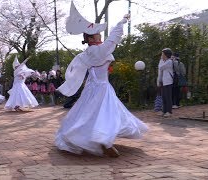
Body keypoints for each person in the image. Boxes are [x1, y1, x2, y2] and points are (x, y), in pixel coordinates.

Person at [55, 2, 148, 157]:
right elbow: (112, 40)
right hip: (101, 88)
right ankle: (104, 142)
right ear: (91, 38)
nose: (99, 35)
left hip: (94, 87)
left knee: (95, 114)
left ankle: (101, 139)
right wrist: (121, 22)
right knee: (104, 114)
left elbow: (78, 71)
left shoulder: (88, 53)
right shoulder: (98, 50)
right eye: (97, 33)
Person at [157, 48, 174, 117]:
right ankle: (164, 111)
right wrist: (159, 81)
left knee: (168, 97)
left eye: (162, 54)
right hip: (164, 81)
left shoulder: (169, 61)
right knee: (164, 97)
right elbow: (160, 71)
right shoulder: (164, 61)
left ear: (166, 55)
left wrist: (161, 60)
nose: (162, 55)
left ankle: (169, 111)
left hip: (168, 81)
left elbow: (160, 67)